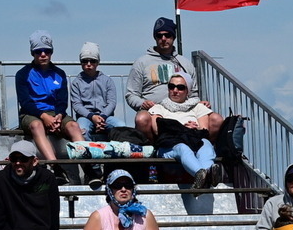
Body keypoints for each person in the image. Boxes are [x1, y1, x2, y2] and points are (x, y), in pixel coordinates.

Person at [126, 17, 222, 141]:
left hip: (184, 111)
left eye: (167, 35)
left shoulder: (185, 63)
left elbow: (193, 94)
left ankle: (207, 148)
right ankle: (153, 150)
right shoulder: (141, 63)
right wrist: (142, 104)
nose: (163, 39)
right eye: (159, 36)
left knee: (216, 119)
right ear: (155, 37)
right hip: (155, 111)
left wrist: (199, 102)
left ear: (174, 37)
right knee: (141, 118)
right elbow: (131, 94)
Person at [15, 30, 84, 182]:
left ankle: (89, 165)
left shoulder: (59, 73)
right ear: (33, 53)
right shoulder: (22, 74)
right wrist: (44, 116)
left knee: (73, 126)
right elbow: (25, 102)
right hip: (31, 113)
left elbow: (62, 101)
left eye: (47, 51)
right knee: (36, 126)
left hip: (55, 113)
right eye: (38, 51)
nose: (43, 55)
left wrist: (58, 116)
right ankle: (56, 167)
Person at [148, 74, 221, 188]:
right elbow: (158, 129)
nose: (175, 90)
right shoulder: (159, 108)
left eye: (180, 87)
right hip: (170, 145)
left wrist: (189, 128)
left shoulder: (198, 107)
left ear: (188, 91)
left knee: (205, 143)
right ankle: (200, 174)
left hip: (194, 140)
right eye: (171, 86)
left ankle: (208, 172)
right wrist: (184, 128)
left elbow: (203, 129)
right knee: (182, 147)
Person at [69, 42, 124, 189]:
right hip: (86, 117)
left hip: (106, 116)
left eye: (92, 61)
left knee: (121, 127)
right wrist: (92, 116)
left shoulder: (107, 80)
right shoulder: (76, 83)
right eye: (85, 61)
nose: (88, 64)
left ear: (98, 62)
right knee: (82, 131)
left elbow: (112, 102)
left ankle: (117, 166)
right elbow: (77, 104)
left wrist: (103, 117)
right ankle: (93, 168)